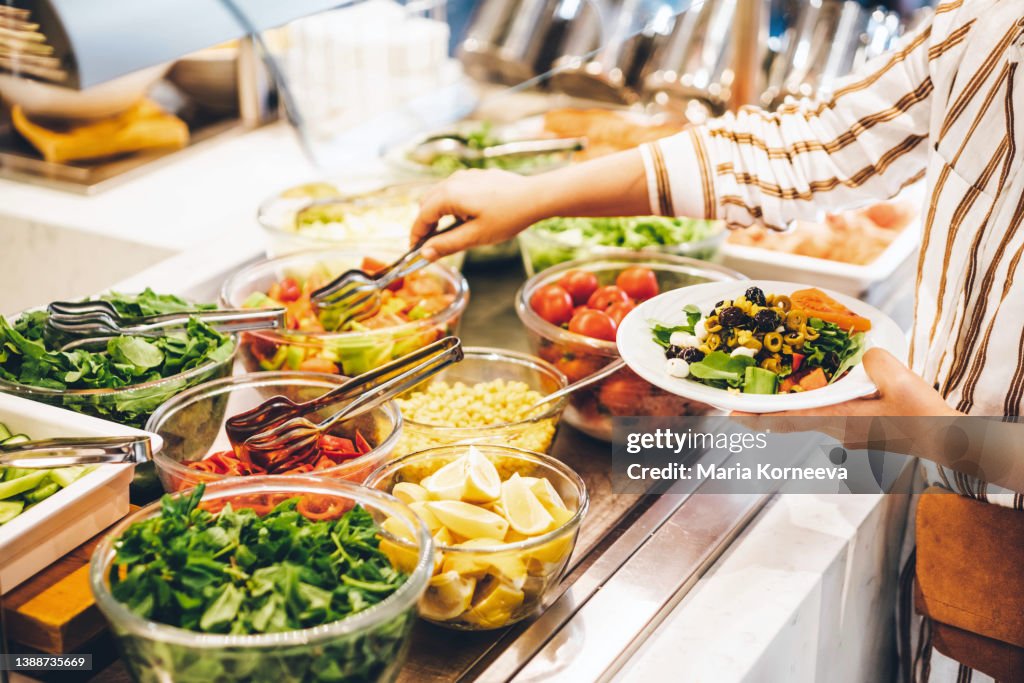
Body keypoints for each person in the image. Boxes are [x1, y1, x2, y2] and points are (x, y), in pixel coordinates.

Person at [411, 1, 1024, 680]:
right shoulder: (991, 27)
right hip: (963, 557)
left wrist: (944, 436)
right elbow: (803, 146)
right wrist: (538, 194)